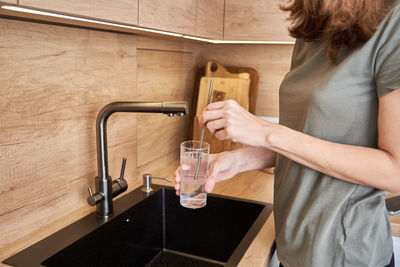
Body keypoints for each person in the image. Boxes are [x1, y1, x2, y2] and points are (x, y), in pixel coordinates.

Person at [175, 0, 400, 266]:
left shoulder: (393, 22)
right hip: (292, 246)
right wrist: (237, 161)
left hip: (344, 254)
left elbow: (395, 171)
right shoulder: (313, 27)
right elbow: (307, 137)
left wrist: (266, 131)